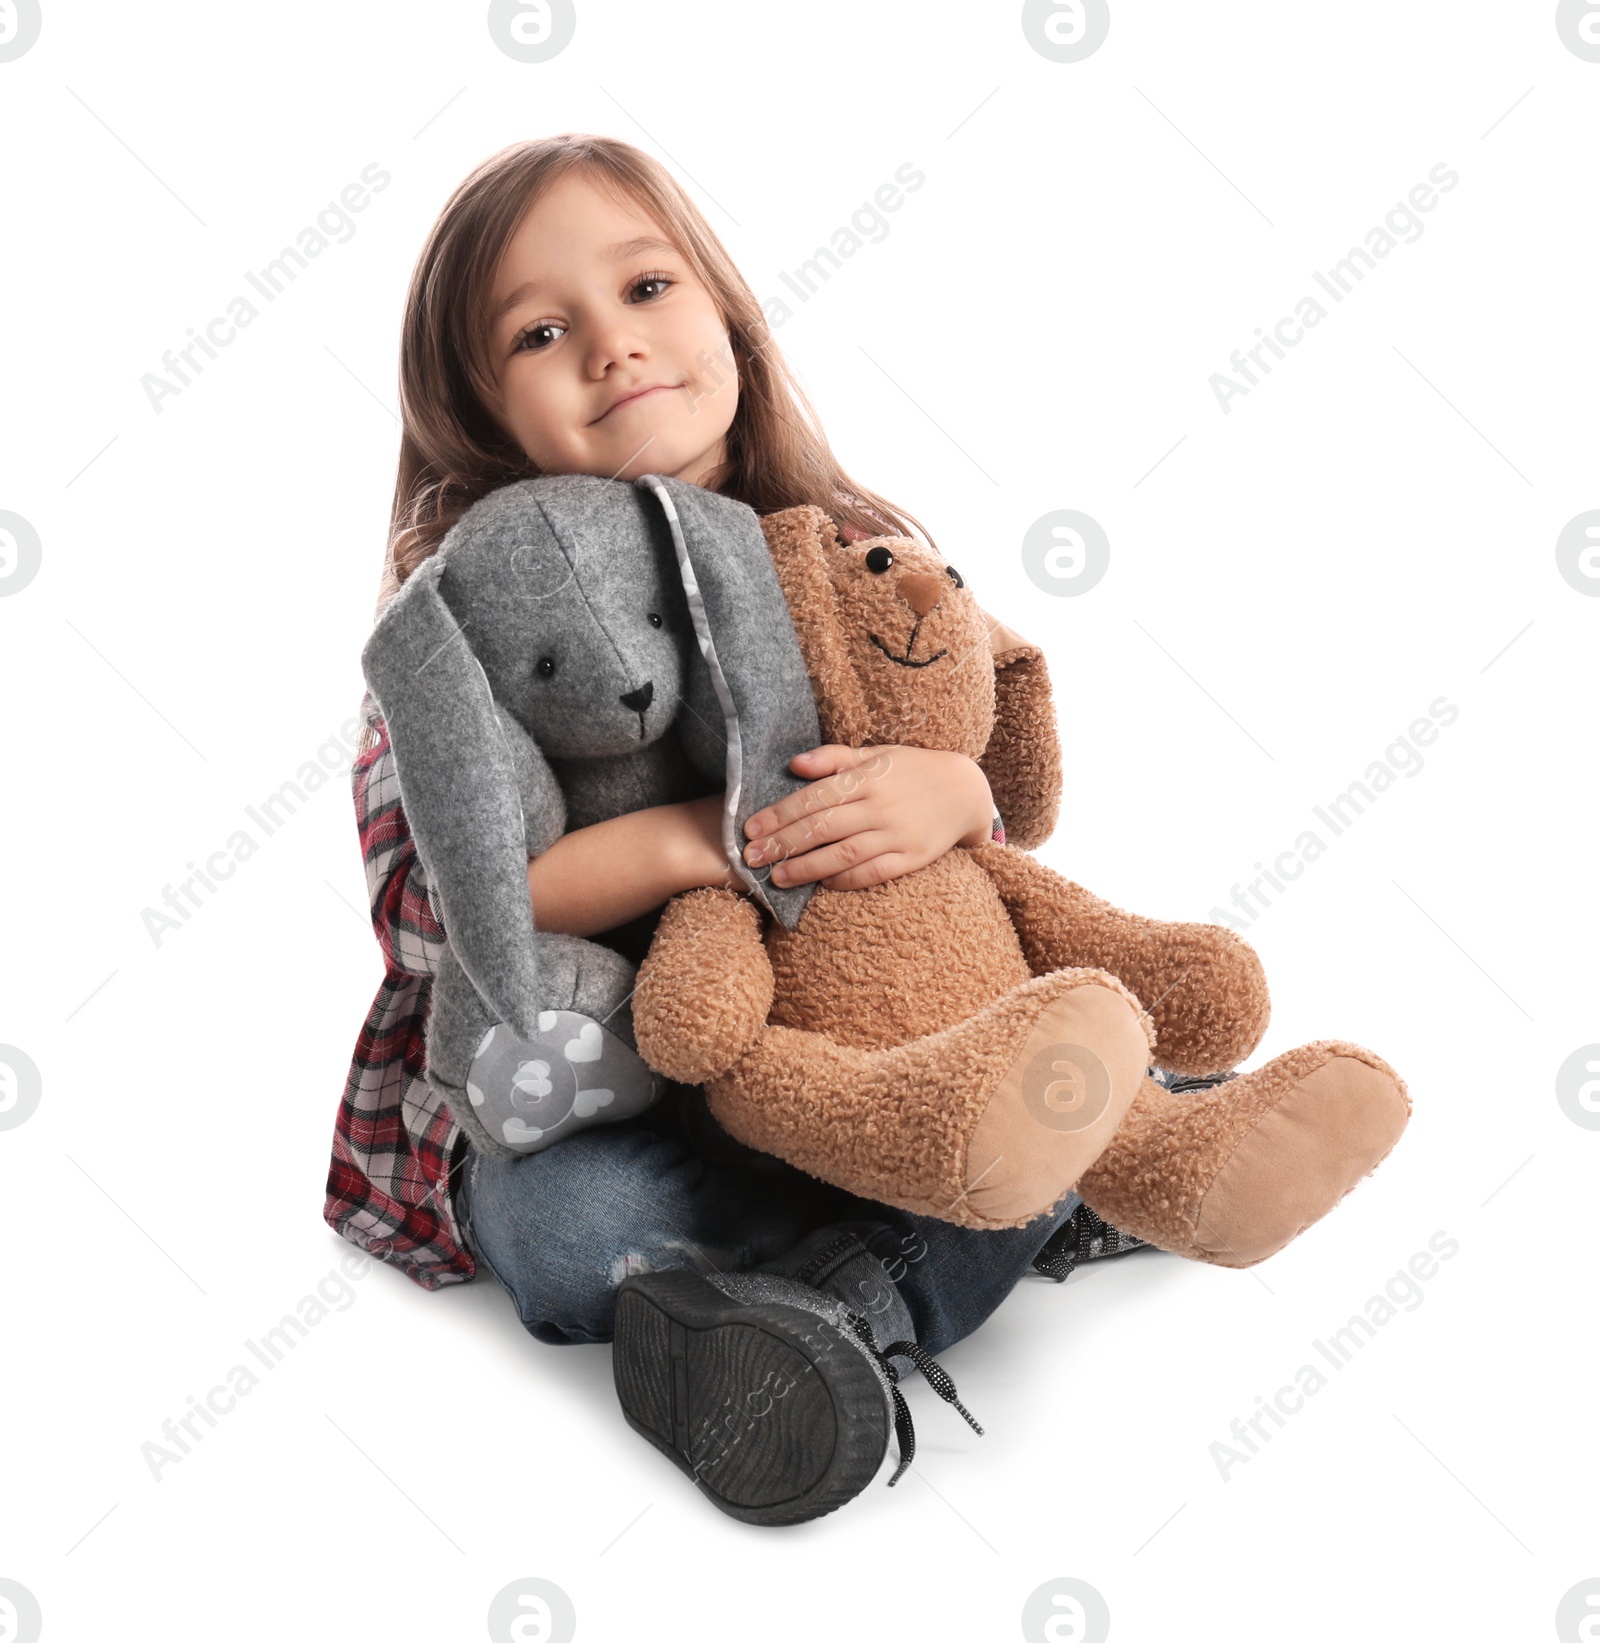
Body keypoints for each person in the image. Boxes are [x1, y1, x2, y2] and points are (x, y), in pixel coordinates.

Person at [323, 133, 1155, 1526]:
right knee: (563, 1229)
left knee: (1001, 1092)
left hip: (857, 1047)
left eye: (647, 288)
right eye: (541, 331)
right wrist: (701, 849)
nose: (612, 348)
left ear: (727, 316)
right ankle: (1011, 1199)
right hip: (628, 1083)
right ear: (479, 413)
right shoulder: (468, 620)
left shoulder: (843, 544)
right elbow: (435, 915)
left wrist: (955, 797)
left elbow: (980, 742)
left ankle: (850, 1294)